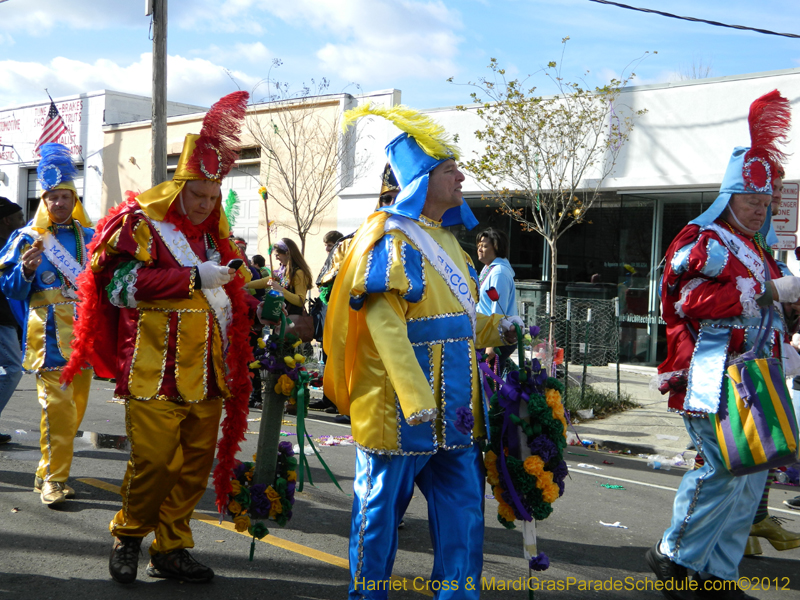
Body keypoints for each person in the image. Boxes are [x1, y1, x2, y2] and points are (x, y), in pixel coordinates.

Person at [325, 104, 521, 600]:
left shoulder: (451, 244)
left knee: (464, 515)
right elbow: (383, 321)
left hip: (454, 408)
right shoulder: (389, 239)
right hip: (398, 408)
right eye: (450, 169)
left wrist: (502, 330)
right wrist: (414, 395)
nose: (461, 176)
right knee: (379, 516)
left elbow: (461, 322)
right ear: (422, 179)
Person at [62, 91, 253, 584]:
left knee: (193, 467)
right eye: (198, 196)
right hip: (153, 370)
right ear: (179, 186)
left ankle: (171, 547)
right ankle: (128, 535)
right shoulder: (141, 225)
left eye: (212, 198)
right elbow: (120, 287)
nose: (205, 206)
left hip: (208, 374)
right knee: (153, 464)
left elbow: (229, 300)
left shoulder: (216, 236)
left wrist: (251, 295)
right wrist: (191, 279)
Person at [648, 90, 795, 600]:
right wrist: (766, 291)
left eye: (766, 201)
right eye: (752, 199)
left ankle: (718, 573)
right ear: (729, 195)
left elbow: (768, 310)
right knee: (720, 471)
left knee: (751, 478)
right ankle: (674, 554)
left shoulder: (758, 249)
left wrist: (785, 326)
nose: (760, 209)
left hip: (756, 377)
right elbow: (688, 299)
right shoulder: (703, 240)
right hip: (711, 375)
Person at [0, 145, 94, 506]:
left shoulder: (91, 236)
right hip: (49, 336)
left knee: (73, 413)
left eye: (65, 196)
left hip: (85, 336)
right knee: (58, 409)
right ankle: (56, 480)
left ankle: (44, 471)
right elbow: (8, 287)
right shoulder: (27, 238)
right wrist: (25, 270)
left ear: (74, 197)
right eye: (52, 197)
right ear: (44, 199)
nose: (59, 203)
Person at [0, 198, 25, 444]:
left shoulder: (12, 245)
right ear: (7, 220)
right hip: (2, 321)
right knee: (13, 370)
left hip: (8, 321)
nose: (23, 222)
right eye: (19, 218)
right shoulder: (6, 249)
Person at [475, 227, 518, 368]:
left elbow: (498, 309)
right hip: (484, 335)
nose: (480, 249)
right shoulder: (488, 269)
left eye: (485, 246)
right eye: (479, 245)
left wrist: (491, 345)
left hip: (494, 340)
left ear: (496, 247)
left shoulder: (499, 273)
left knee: (490, 384)